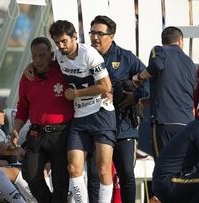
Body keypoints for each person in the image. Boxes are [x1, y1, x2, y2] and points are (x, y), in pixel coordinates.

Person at [49, 20, 116, 203]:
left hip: (101, 114)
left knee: (103, 169)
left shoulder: (89, 54)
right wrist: (28, 67)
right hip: (80, 116)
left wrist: (76, 93)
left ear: (74, 37)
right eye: (57, 42)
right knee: (73, 168)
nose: (61, 46)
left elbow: (106, 85)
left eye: (64, 41)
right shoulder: (57, 56)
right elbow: (41, 62)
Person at [89, 15, 149, 203]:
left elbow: (148, 82)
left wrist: (135, 97)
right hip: (94, 126)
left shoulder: (126, 57)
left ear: (111, 36)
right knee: (94, 174)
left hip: (123, 127)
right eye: (92, 33)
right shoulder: (84, 56)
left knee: (127, 176)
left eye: (100, 33)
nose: (95, 37)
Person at [11, 37, 74, 203]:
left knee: (61, 180)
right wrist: (16, 130)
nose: (38, 60)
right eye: (34, 56)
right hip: (37, 132)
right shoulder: (27, 77)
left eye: (42, 55)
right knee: (30, 174)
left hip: (61, 133)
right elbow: (22, 107)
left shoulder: (63, 71)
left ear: (51, 55)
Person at [132, 26, 196, 159]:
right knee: (181, 166)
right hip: (187, 123)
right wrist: (152, 99)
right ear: (180, 40)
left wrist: (139, 77)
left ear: (163, 40)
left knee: (163, 166)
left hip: (165, 122)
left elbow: (157, 65)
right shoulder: (190, 62)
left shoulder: (160, 50)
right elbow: (183, 91)